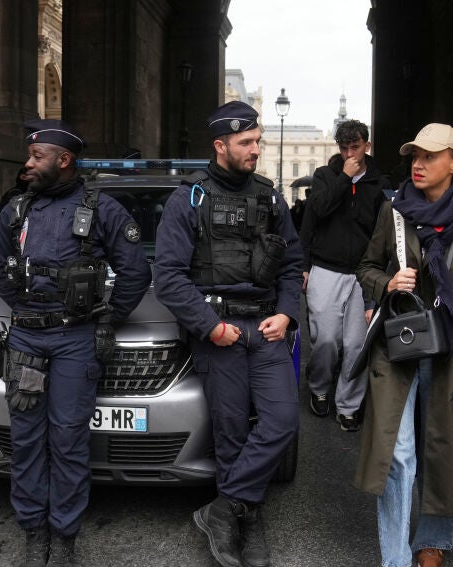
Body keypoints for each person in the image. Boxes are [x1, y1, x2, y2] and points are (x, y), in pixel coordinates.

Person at [0, 119, 150, 566]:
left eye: (35, 156)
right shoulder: (16, 210)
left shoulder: (102, 209)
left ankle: (64, 540)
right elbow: (1, 265)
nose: (27, 163)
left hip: (74, 340)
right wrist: (22, 308)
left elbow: (136, 272)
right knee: (25, 440)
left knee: (67, 441)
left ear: (63, 161)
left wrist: (108, 317)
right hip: (25, 339)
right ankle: (33, 535)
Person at [153, 101, 302, 567]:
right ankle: (246, 520)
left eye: (258, 141)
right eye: (247, 143)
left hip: (266, 327)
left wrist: (287, 314)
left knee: (281, 422)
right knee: (232, 431)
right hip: (220, 330)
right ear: (220, 146)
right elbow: (170, 276)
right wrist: (210, 327)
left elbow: (293, 264)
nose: (256, 149)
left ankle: (224, 509)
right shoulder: (188, 199)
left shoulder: (270, 198)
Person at [354, 123, 453, 567]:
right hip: (399, 348)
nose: (417, 164)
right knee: (398, 456)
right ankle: (396, 558)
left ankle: (433, 541)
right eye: (414, 157)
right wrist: (387, 282)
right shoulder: (393, 213)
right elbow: (365, 267)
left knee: (443, 447)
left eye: (429, 157)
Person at [299, 119, 388, 431]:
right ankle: (320, 387)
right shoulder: (325, 176)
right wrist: (304, 265)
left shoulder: (378, 184)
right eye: (344, 147)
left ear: (367, 145)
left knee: (355, 344)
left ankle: (348, 405)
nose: (350, 153)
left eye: (356, 146)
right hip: (326, 267)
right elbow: (315, 215)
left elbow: (382, 233)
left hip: (363, 273)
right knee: (325, 339)